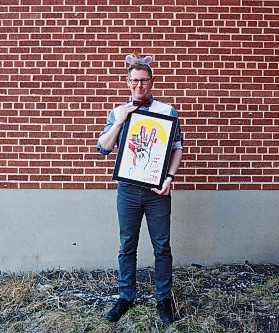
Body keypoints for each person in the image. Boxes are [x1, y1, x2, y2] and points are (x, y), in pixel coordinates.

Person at [97, 53, 183, 324]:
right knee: (127, 245)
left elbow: (177, 148)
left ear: (152, 81)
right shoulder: (117, 112)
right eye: (134, 81)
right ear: (127, 81)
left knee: (162, 247)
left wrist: (169, 177)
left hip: (157, 192)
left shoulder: (166, 111)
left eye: (144, 81)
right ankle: (125, 296)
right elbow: (103, 147)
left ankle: (163, 299)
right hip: (128, 190)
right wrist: (121, 120)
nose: (139, 86)